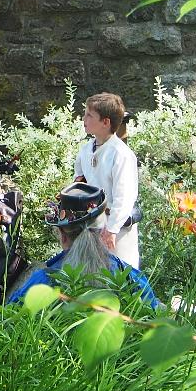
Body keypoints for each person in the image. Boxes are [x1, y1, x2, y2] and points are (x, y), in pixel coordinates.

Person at [7, 183, 159, 308]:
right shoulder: (131, 278)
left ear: (62, 235)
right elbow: (152, 314)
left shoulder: (42, 281)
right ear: (103, 231)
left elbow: (8, 318)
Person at [74, 93, 140, 268]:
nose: (84, 119)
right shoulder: (85, 150)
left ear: (105, 122)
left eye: (89, 115)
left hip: (118, 228)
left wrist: (112, 229)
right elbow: (79, 184)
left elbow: (124, 197)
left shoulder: (121, 154)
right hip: (93, 223)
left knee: (122, 274)